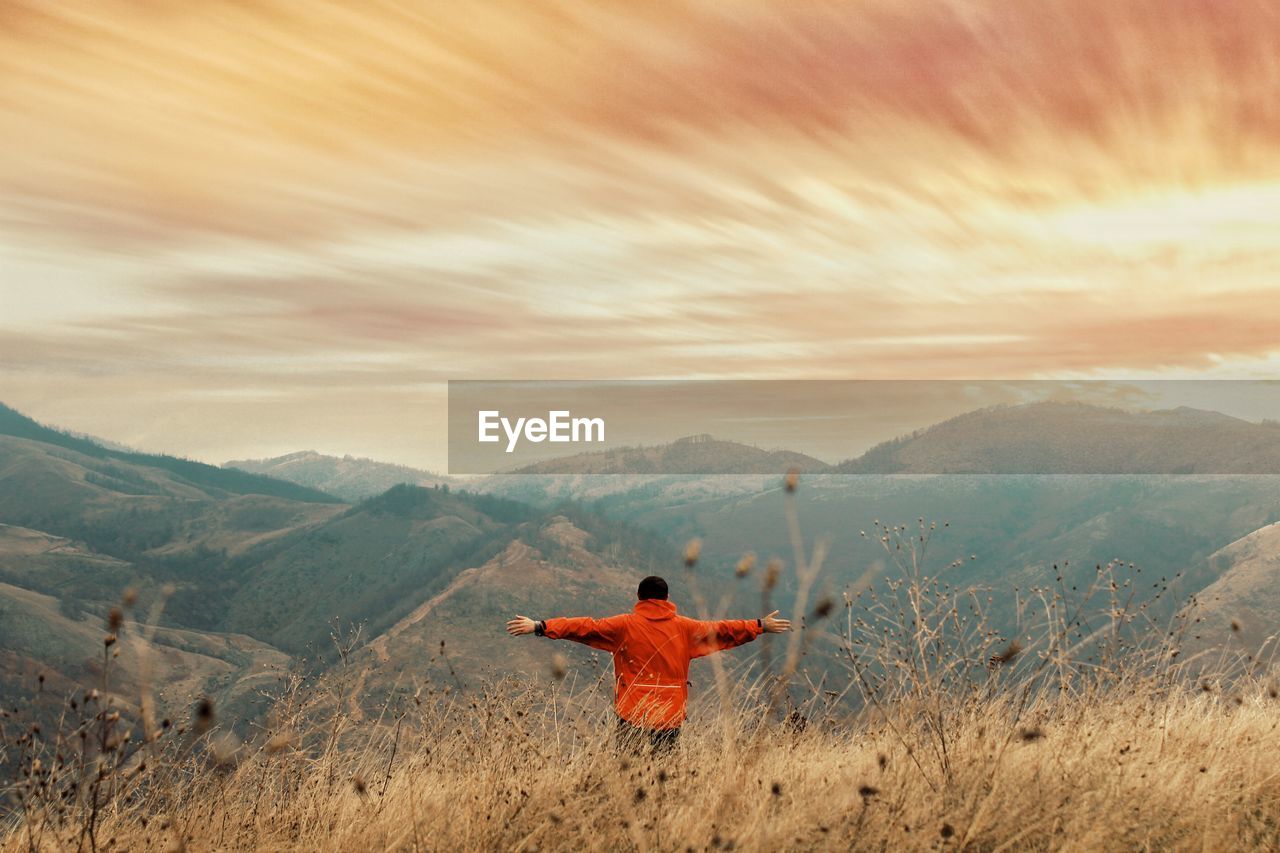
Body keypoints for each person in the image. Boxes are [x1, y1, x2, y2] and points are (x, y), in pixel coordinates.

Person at [506, 575, 790, 751]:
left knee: (629, 772)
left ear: (639, 598)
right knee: (664, 774)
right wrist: (759, 625)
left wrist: (541, 625)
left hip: (632, 710)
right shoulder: (686, 628)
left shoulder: (624, 625)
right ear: (667, 599)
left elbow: (584, 627)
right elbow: (725, 630)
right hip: (670, 713)